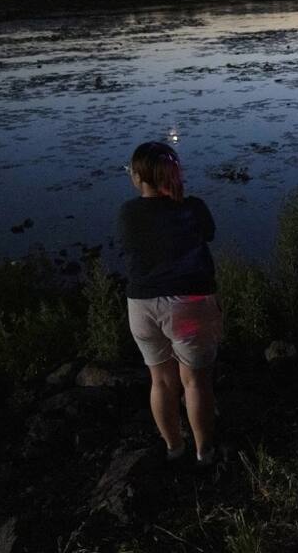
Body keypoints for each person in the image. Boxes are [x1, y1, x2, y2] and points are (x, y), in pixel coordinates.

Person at [117, 141, 222, 466]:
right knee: (195, 381)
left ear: (138, 177)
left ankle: (173, 447)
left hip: (142, 306)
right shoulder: (192, 207)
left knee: (160, 380)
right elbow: (209, 234)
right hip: (188, 303)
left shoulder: (127, 212)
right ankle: (204, 452)